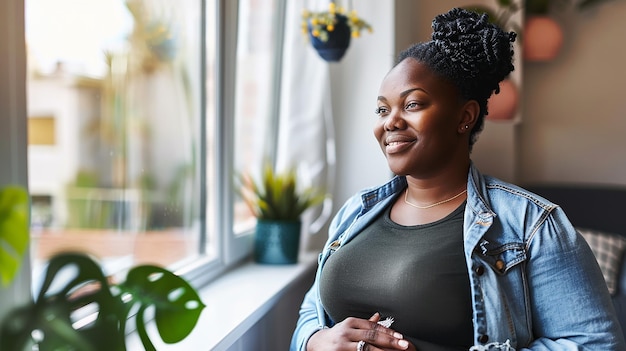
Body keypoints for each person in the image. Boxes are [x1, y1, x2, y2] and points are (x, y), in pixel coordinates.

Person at [290, 7, 626, 351]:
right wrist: (318, 341)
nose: (390, 122)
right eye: (382, 109)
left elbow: (596, 345)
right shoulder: (355, 212)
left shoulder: (532, 225)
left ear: (465, 116)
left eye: (412, 104)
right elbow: (310, 314)